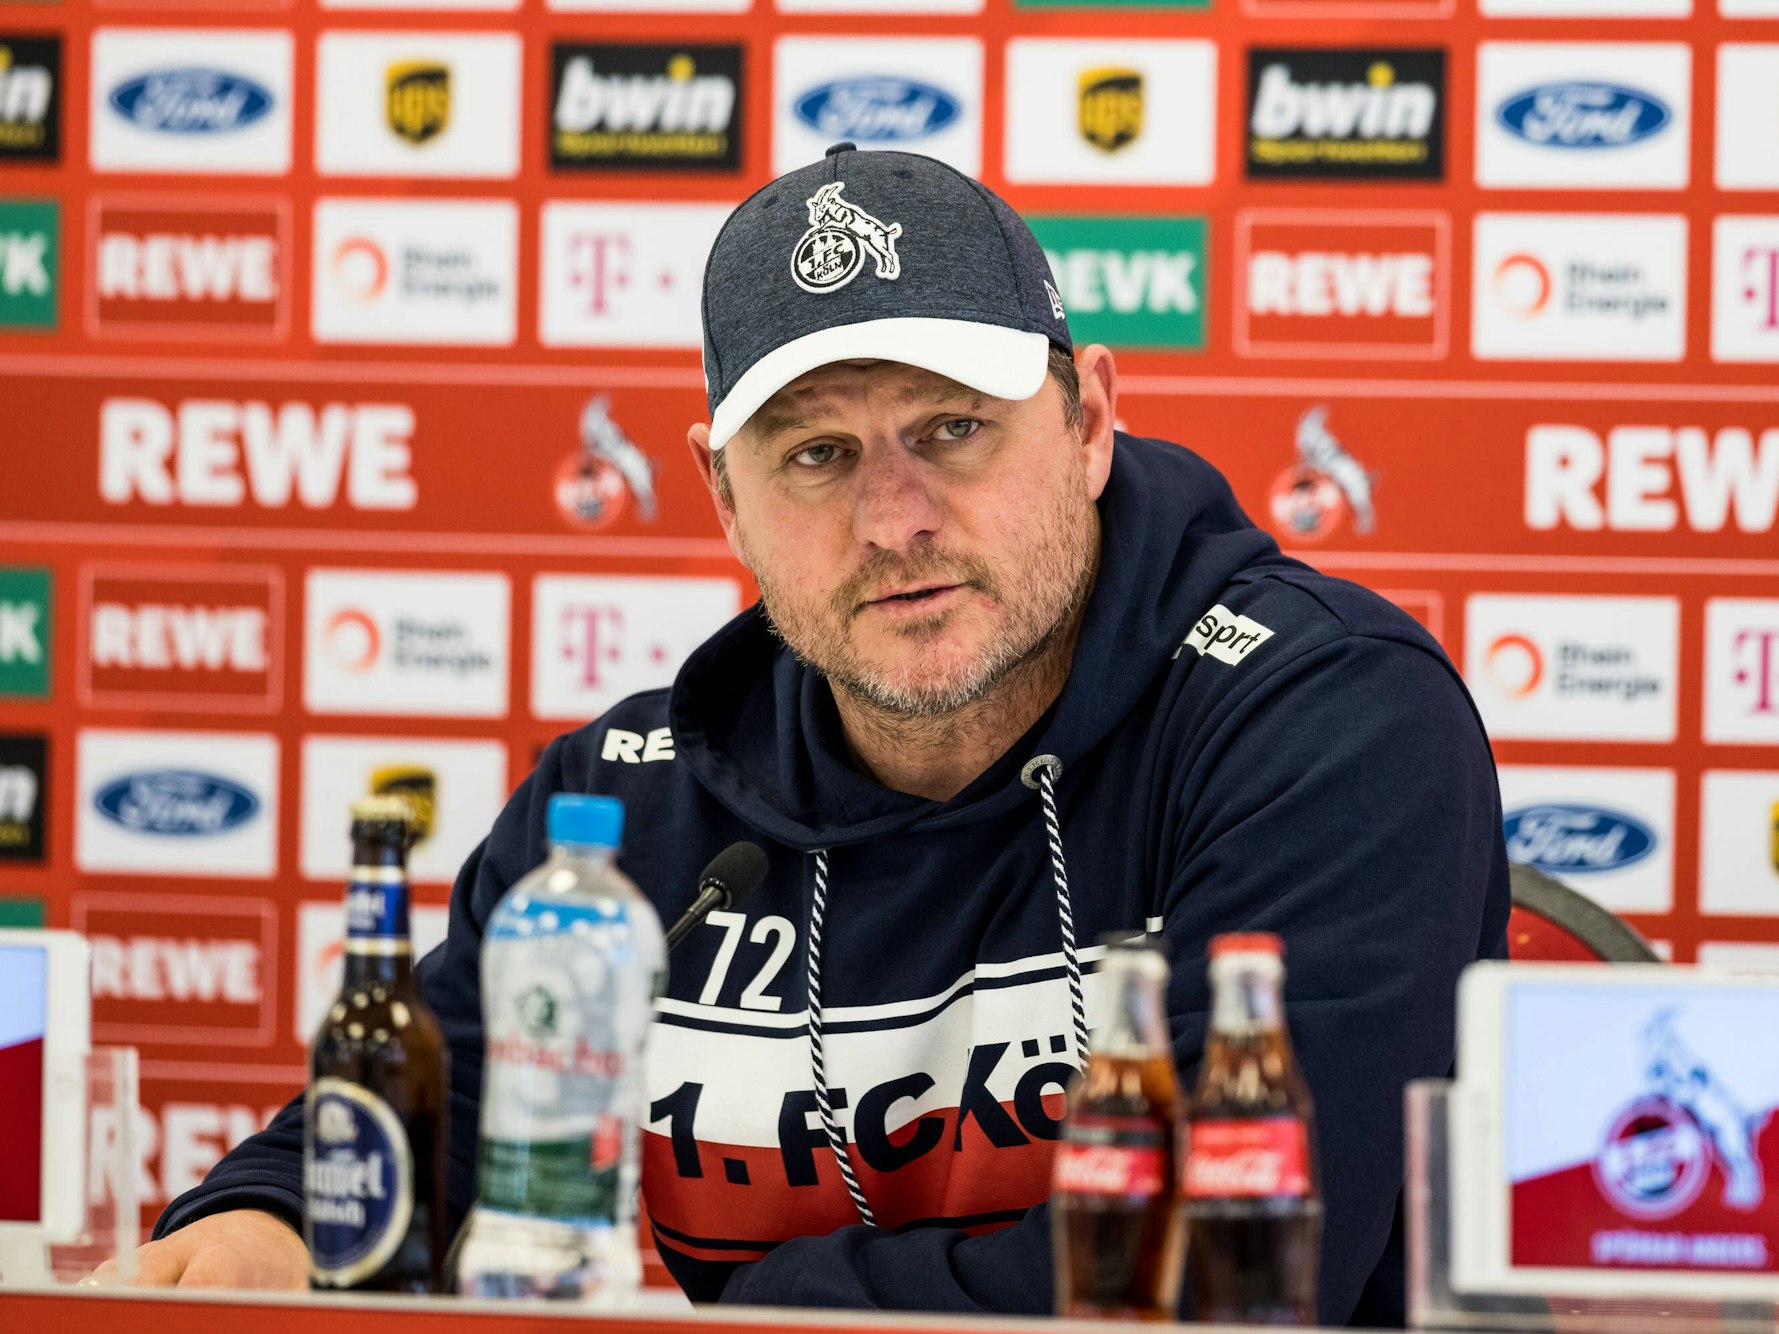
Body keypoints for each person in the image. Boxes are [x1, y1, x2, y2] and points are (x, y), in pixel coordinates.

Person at [96, 145, 1509, 1324]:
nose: (894, 516)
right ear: (724, 497)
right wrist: (271, 1222)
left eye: (953, 428)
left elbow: (1219, 1279)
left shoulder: (1324, 720)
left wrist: (781, 1299)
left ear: (1087, 421)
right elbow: (420, 1127)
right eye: (819, 453)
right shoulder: (628, 810)